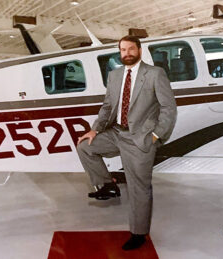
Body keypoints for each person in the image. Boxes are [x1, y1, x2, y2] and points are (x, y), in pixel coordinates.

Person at [77, 35, 177, 250]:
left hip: (140, 138)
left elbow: (169, 108)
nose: (127, 53)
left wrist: (156, 135)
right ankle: (107, 185)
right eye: (123, 50)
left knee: (139, 188)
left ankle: (139, 233)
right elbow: (107, 106)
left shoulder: (154, 74)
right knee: (85, 147)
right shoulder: (114, 75)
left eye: (131, 49)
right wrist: (95, 129)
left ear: (139, 50)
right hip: (116, 133)